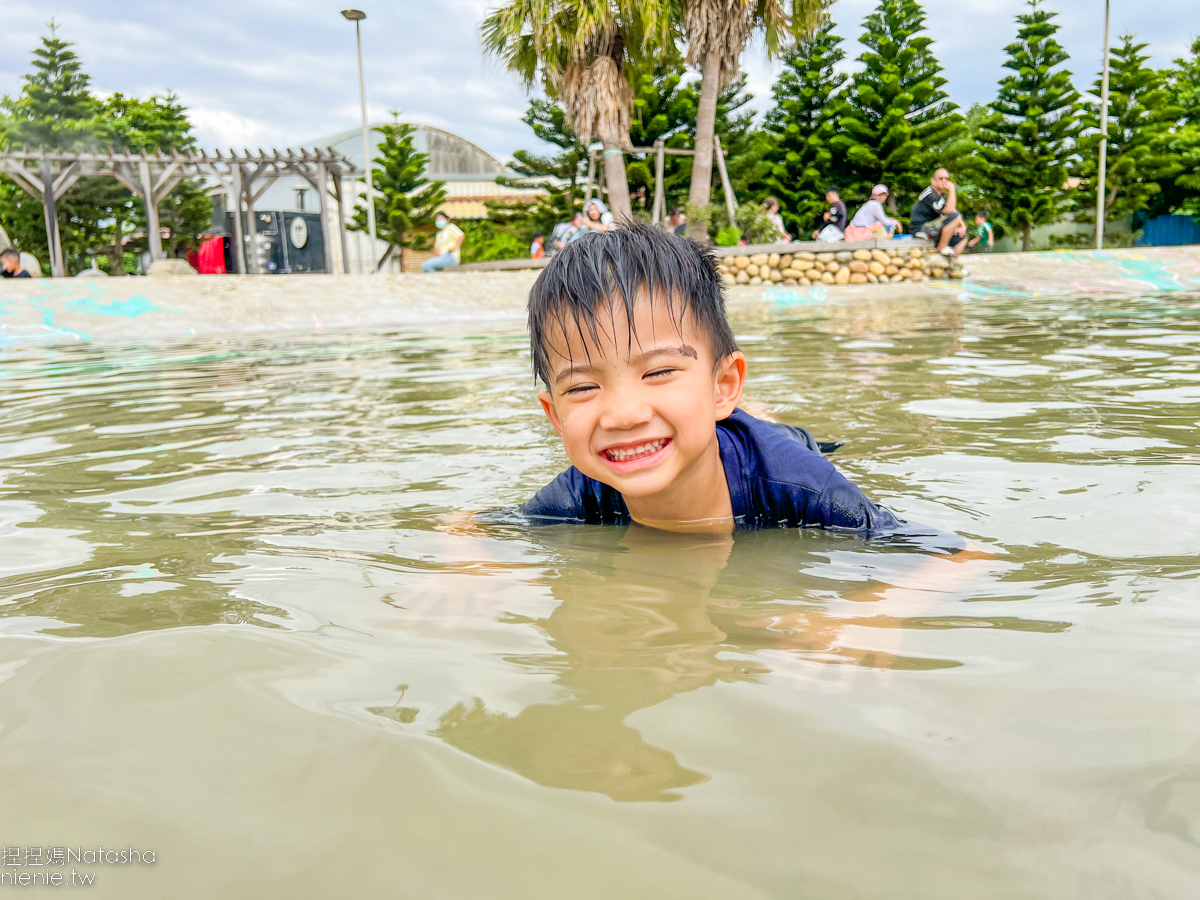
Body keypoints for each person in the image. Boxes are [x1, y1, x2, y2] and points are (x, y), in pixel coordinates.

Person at [517, 224, 951, 538]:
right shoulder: (583, 491)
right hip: (713, 418)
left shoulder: (792, 479)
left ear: (723, 384)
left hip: (780, 442)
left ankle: (753, 413)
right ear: (555, 415)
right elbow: (475, 527)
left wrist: (865, 615)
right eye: (582, 388)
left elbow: (954, 554)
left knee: (777, 430)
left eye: (659, 372)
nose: (624, 415)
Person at [909, 168, 968, 256]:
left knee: (963, 236)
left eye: (946, 179)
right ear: (933, 181)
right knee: (954, 216)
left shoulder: (941, 196)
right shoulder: (929, 193)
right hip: (920, 229)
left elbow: (954, 211)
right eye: (941, 179)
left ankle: (950, 265)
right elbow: (949, 211)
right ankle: (942, 247)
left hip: (933, 228)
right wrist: (952, 190)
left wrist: (963, 226)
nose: (944, 181)